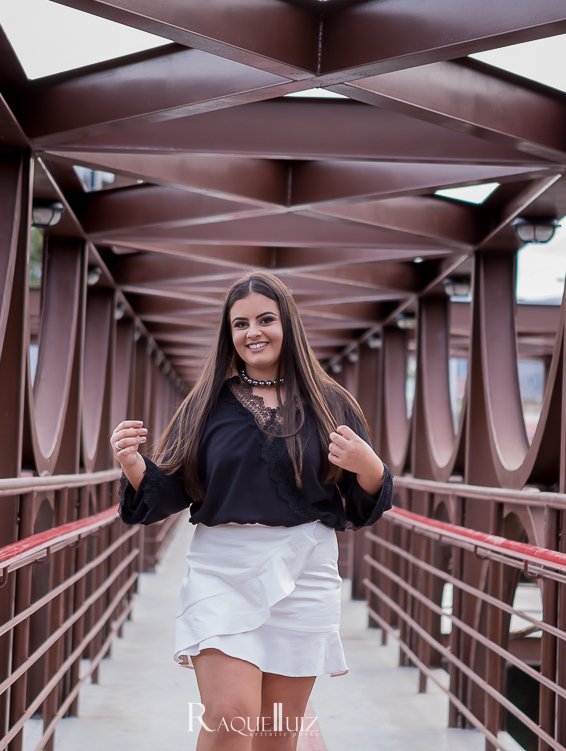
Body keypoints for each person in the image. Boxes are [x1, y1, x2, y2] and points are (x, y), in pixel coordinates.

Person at [110, 270, 392, 751]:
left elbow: (362, 503)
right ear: (229, 334)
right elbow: (174, 491)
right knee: (229, 716)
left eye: (265, 319)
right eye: (240, 324)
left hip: (305, 570)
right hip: (222, 569)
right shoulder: (205, 405)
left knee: (276, 735)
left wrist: (370, 467)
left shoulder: (331, 404)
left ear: (288, 325)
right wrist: (134, 464)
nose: (252, 332)